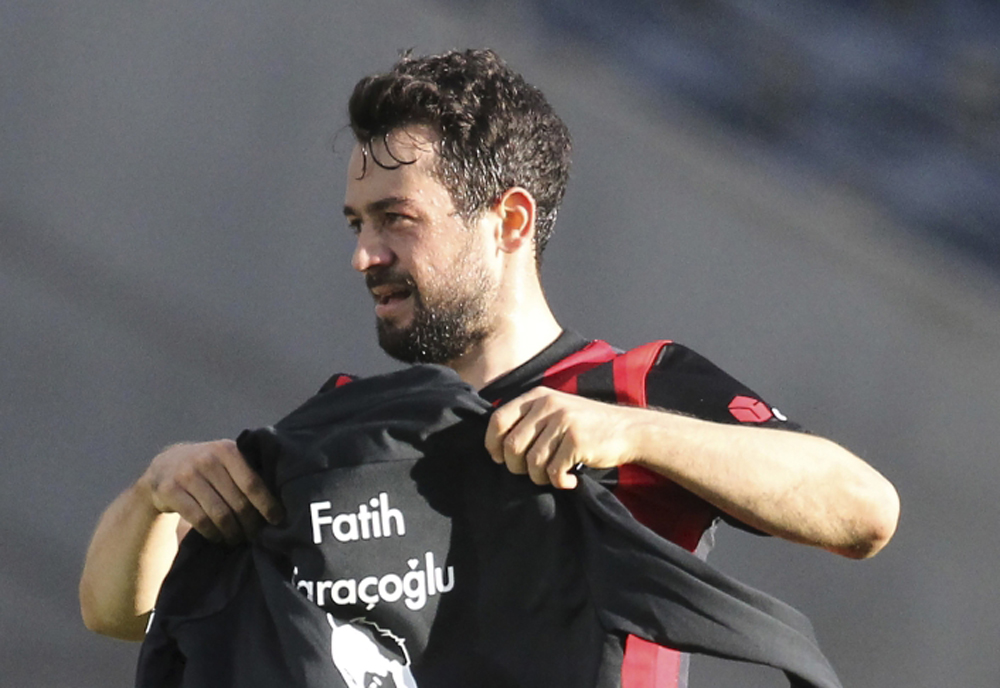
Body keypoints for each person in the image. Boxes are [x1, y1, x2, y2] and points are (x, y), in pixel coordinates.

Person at [80, 49, 899, 687]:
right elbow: (122, 610)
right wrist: (156, 491)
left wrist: (635, 435)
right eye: (357, 224)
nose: (365, 255)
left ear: (509, 220)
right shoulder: (349, 425)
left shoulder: (629, 389)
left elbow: (864, 510)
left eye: (396, 218)